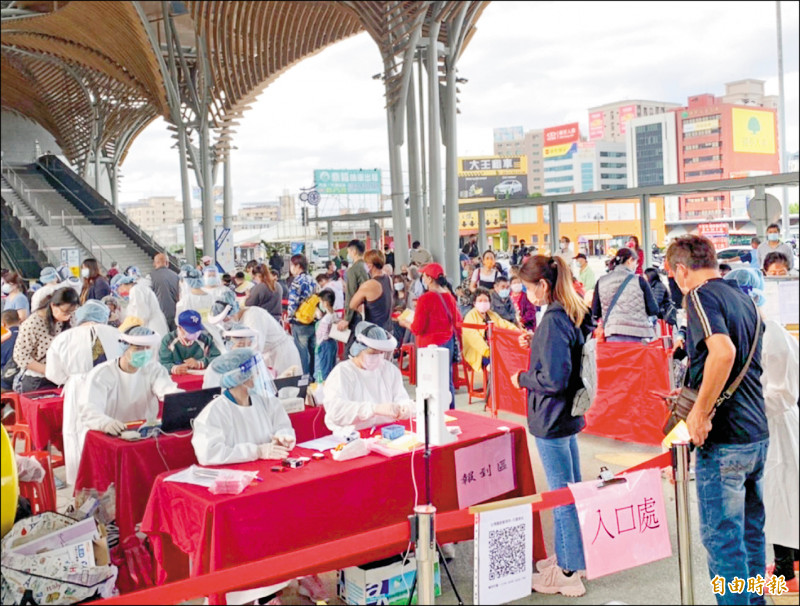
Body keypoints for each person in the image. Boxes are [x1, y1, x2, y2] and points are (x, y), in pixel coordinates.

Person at [666, 235, 768, 606]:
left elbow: (722, 353)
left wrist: (699, 411)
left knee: (723, 542)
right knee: (751, 536)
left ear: (680, 270)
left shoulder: (698, 296)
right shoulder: (744, 297)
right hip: (756, 432)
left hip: (724, 439)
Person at [510, 255, 593, 597]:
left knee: (563, 496)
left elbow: (553, 379)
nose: (527, 295)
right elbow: (564, 360)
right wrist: (537, 345)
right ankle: (571, 559)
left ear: (542, 285)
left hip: (551, 417)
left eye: (528, 288)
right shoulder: (570, 313)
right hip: (567, 416)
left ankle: (569, 571)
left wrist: (522, 378)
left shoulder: (554, 321)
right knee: (570, 491)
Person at [724, 268, 799, 594]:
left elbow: (784, 392)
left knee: (781, 498)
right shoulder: (758, 329)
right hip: (768, 425)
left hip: (777, 426)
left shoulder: (772, 333)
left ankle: (786, 572)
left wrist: (747, 405)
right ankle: (790, 562)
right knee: (782, 497)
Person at [47, 300, 122, 485]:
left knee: (78, 433)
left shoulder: (63, 338)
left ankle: (83, 483)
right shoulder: (117, 334)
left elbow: (54, 374)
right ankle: (114, 478)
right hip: (112, 386)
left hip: (78, 388)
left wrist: (74, 376)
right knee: (112, 432)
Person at [192, 348, 294, 466]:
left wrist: (283, 437)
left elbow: (282, 425)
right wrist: (257, 451)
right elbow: (208, 454)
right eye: (256, 373)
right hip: (235, 475)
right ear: (241, 377)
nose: (260, 376)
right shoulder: (214, 412)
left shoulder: (267, 402)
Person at [323, 322, 413, 438]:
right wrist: (373, 409)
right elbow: (336, 412)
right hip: (353, 437)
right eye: (373, 353)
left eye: (382, 353)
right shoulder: (342, 373)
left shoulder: (389, 370)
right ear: (358, 349)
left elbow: (401, 398)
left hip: (387, 433)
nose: (379, 357)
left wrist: (404, 408)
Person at [400, 263, 461, 407]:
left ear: (429, 279)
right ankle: (450, 411)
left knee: (428, 382)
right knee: (446, 380)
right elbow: (457, 320)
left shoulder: (425, 299)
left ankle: (431, 412)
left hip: (428, 346)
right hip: (447, 343)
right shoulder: (449, 296)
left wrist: (404, 323)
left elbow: (417, 328)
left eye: (424, 276)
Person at [208, 289, 302, 378]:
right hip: (267, 356)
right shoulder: (236, 323)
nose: (225, 323)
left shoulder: (254, 316)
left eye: (226, 319)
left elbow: (254, 349)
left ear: (233, 311)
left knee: (285, 389)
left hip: (281, 355)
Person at [13, 287, 79, 392]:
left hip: (64, 377)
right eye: (65, 312)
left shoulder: (71, 318)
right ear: (53, 306)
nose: (69, 316)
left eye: (72, 312)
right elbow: (20, 356)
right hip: (38, 381)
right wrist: (49, 371)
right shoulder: (33, 323)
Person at [591, 247, 658, 342]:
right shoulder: (639, 280)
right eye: (636, 262)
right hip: (639, 335)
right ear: (630, 260)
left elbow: (595, 312)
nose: (636, 266)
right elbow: (653, 309)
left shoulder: (601, 281)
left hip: (612, 335)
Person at [462, 288, 518, 378]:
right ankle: (493, 386)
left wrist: (519, 332)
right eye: (480, 300)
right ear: (474, 303)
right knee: (495, 364)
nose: (483, 303)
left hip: (495, 349)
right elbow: (475, 340)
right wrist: (488, 351)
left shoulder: (492, 314)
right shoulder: (470, 317)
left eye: (486, 300)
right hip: (479, 352)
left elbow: (504, 324)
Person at [158, 310, 221, 375]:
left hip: (200, 379)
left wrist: (200, 363)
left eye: (197, 330)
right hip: (176, 380)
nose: (195, 333)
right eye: (191, 331)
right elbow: (163, 364)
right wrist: (174, 368)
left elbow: (218, 359)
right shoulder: (168, 340)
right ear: (180, 328)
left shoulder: (205, 340)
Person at [336, 240, 370, 355]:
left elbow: (350, 294)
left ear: (354, 251)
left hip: (356, 313)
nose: (348, 254)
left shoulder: (353, 270)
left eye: (349, 251)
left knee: (351, 347)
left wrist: (347, 318)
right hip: (367, 310)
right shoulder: (366, 266)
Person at [350, 250, 394, 334]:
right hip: (389, 329)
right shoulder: (388, 279)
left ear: (370, 266)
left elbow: (352, 304)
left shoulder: (369, 285)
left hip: (374, 332)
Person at [287, 254, 317, 376]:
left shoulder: (297, 281)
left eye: (291, 265)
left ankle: (305, 379)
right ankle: (314, 378)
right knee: (313, 352)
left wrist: (289, 316)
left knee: (302, 354)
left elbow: (293, 302)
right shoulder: (312, 280)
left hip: (300, 322)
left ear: (297, 266)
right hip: (312, 320)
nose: (290, 268)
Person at [123, 273, 169, 337]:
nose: (119, 291)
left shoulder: (136, 290)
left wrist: (130, 326)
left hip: (152, 326)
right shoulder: (140, 288)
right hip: (155, 324)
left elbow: (142, 314)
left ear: (123, 284)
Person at [150, 253, 180, 332]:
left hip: (159, 315)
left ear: (156, 263)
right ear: (167, 263)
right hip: (175, 313)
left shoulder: (150, 277)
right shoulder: (176, 276)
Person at [314, 290, 338, 382]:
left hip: (324, 346)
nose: (320, 304)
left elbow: (322, 336)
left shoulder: (326, 319)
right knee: (330, 368)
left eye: (320, 301)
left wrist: (317, 347)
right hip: (332, 344)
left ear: (326, 303)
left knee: (322, 371)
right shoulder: (334, 315)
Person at [0, 310, 20, 391]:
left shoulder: (4, 338)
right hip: (23, 381)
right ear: (19, 320)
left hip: (5, 384)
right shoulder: (27, 334)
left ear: (3, 323)